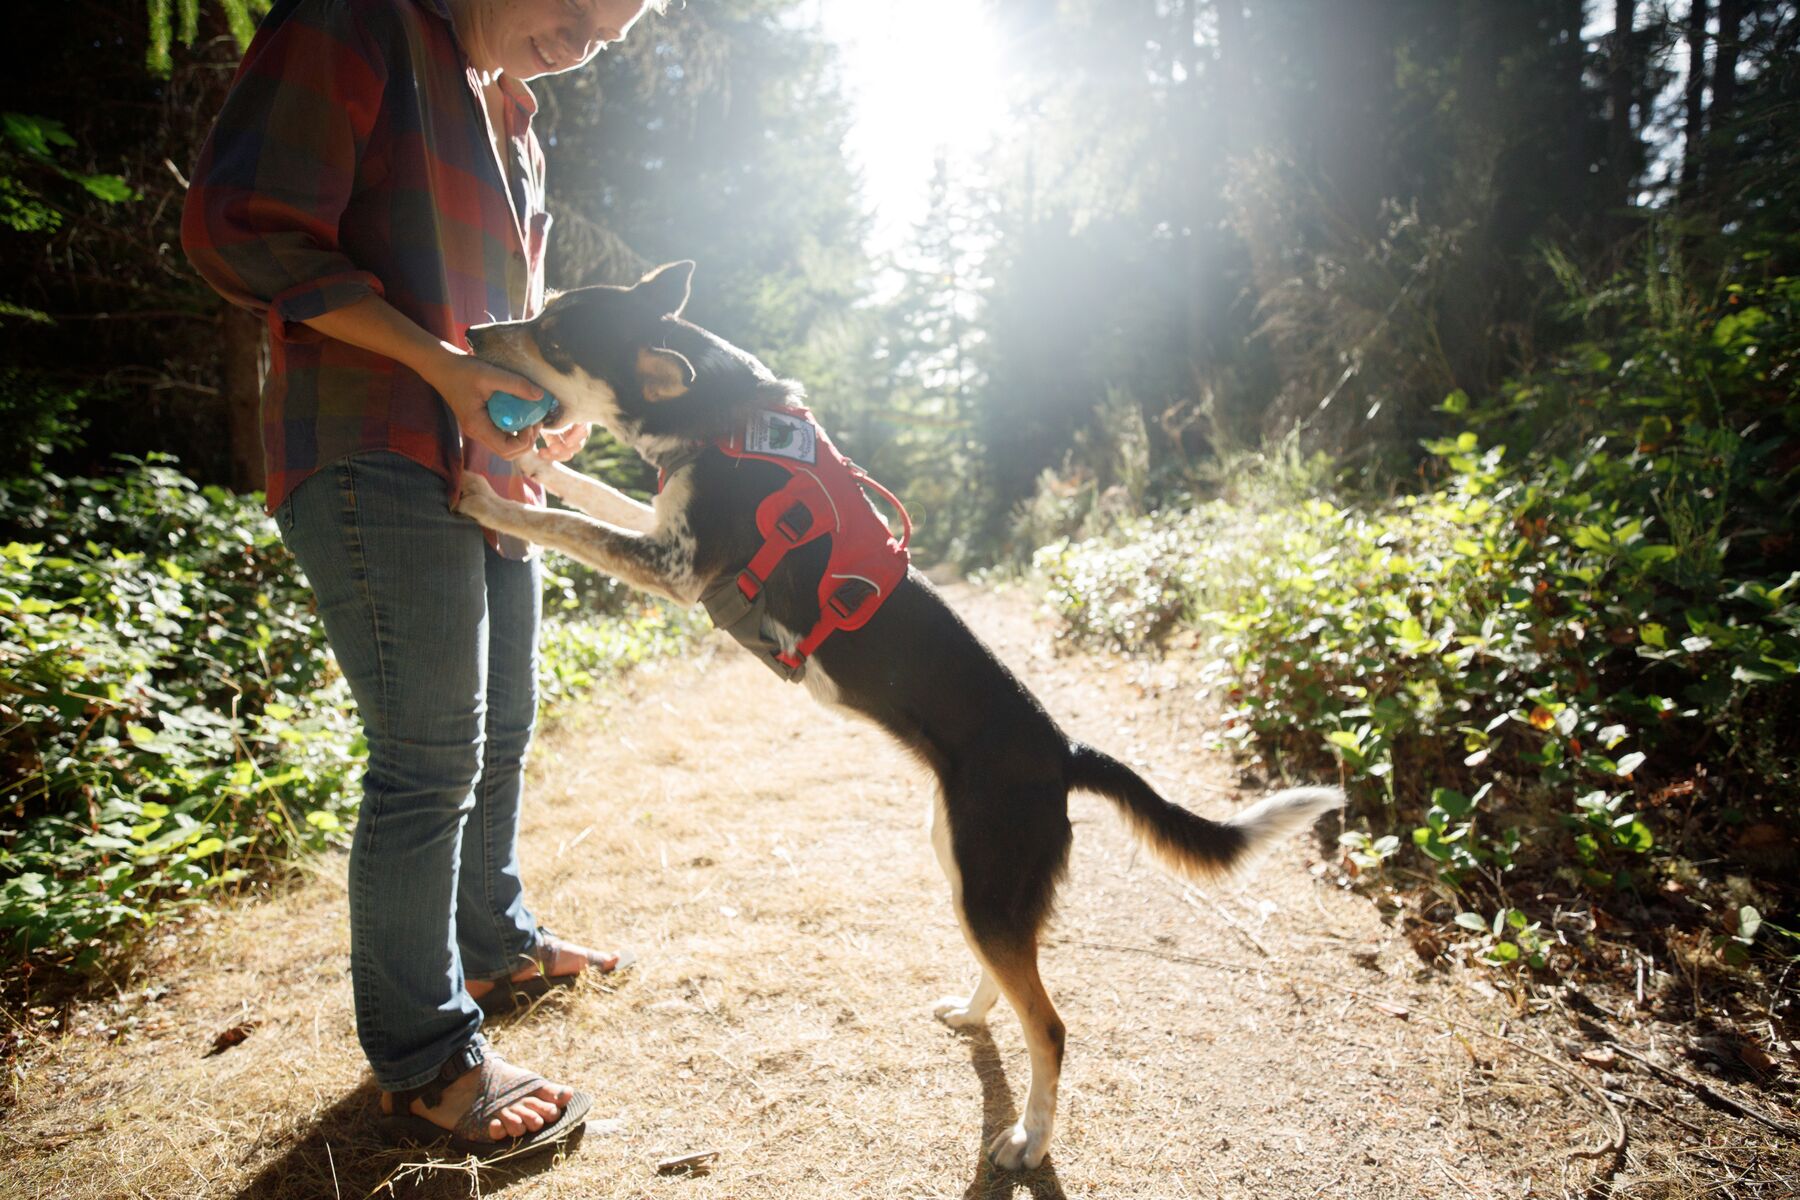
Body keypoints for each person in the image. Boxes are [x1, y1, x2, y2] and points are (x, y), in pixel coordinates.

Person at [182, 0, 661, 1155]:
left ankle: (493, 947)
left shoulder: (518, 118)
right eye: (582, 3)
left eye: (621, 25)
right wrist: (441, 371)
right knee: (428, 760)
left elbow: (507, 330)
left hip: (495, 476)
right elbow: (241, 229)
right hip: (371, 447)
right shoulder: (356, 28)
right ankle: (423, 1058)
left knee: (502, 735)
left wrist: (548, 406)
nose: (593, 35)